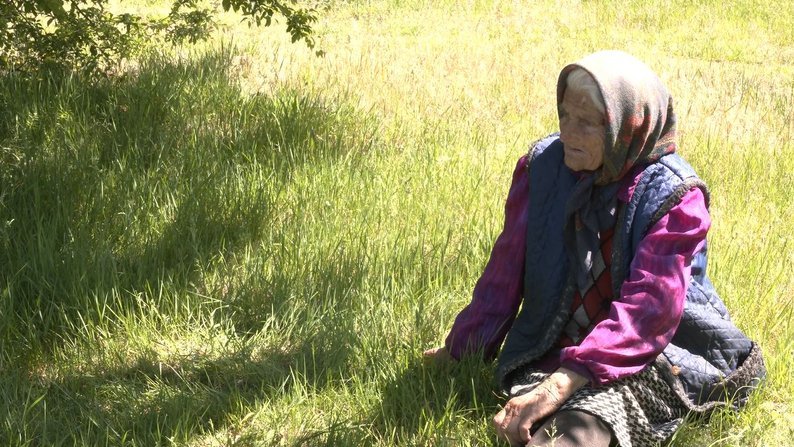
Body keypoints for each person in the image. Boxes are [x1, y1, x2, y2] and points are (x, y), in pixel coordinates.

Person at [423, 50, 765, 447]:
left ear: (627, 124)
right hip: (561, 344)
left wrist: (558, 385)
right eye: (565, 115)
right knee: (536, 419)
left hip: (654, 349)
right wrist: (462, 349)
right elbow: (504, 274)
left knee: (584, 421)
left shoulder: (675, 198)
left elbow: (647, 314)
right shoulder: (543, 168)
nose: (568, 132)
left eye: (586, 122)